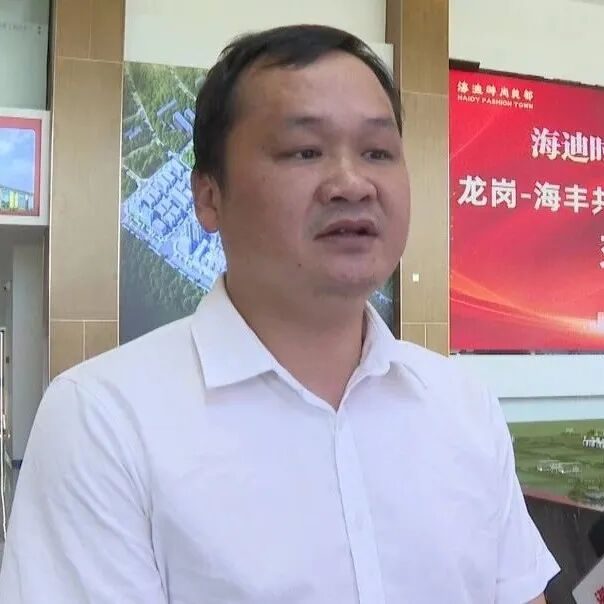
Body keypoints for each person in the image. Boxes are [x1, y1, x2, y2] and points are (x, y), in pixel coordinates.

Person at [0, 24, 558, 603]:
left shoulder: (463, 405)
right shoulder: (104, 421)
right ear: (209, 197)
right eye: (304, 151)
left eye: (377, 152)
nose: (353, 184)